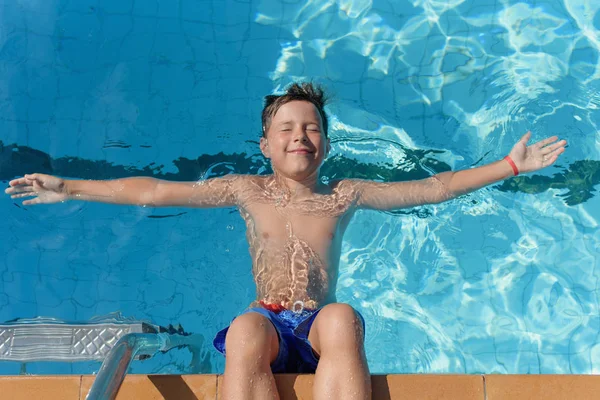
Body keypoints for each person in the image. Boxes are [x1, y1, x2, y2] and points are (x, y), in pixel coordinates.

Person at [5, 82, 567, 400]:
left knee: (343, 317)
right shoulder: (247, 190)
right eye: (288, 129)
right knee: (247, 329)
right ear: (266, 146)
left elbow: (432, 188)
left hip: (319, 327)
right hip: (271, 324)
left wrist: (508, 166)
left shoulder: (345, 193)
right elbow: (153, 191)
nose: (302, 135)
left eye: (313, 128)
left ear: (324, 145)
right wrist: (70, 186)